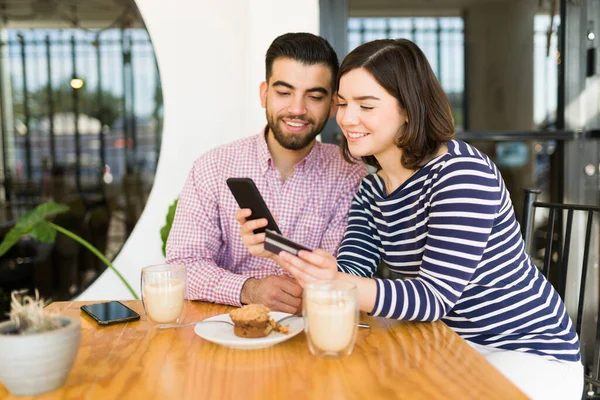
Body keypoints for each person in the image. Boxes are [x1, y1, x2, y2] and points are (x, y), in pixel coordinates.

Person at [262, 39, 582, 399]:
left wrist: (336, 281)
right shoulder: (372, 191)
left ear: (409, 110)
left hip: (525, 352)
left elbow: (431, 298)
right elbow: (353, 275)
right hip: (446, 345)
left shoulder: (461, 173)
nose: (347, 119)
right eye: (343, 104)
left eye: (366, 105)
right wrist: (280, 251)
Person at [166, 33, 366, 314]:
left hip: (311, 334)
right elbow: (182, 266)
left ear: (333, 104)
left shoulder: (349, 175)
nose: (297, 109)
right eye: (284, 92)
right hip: (224, 332)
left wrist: (277, 251)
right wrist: (249, 290)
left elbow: (344, 276)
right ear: (264, 94)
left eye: (314, 96)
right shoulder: (212, 167)